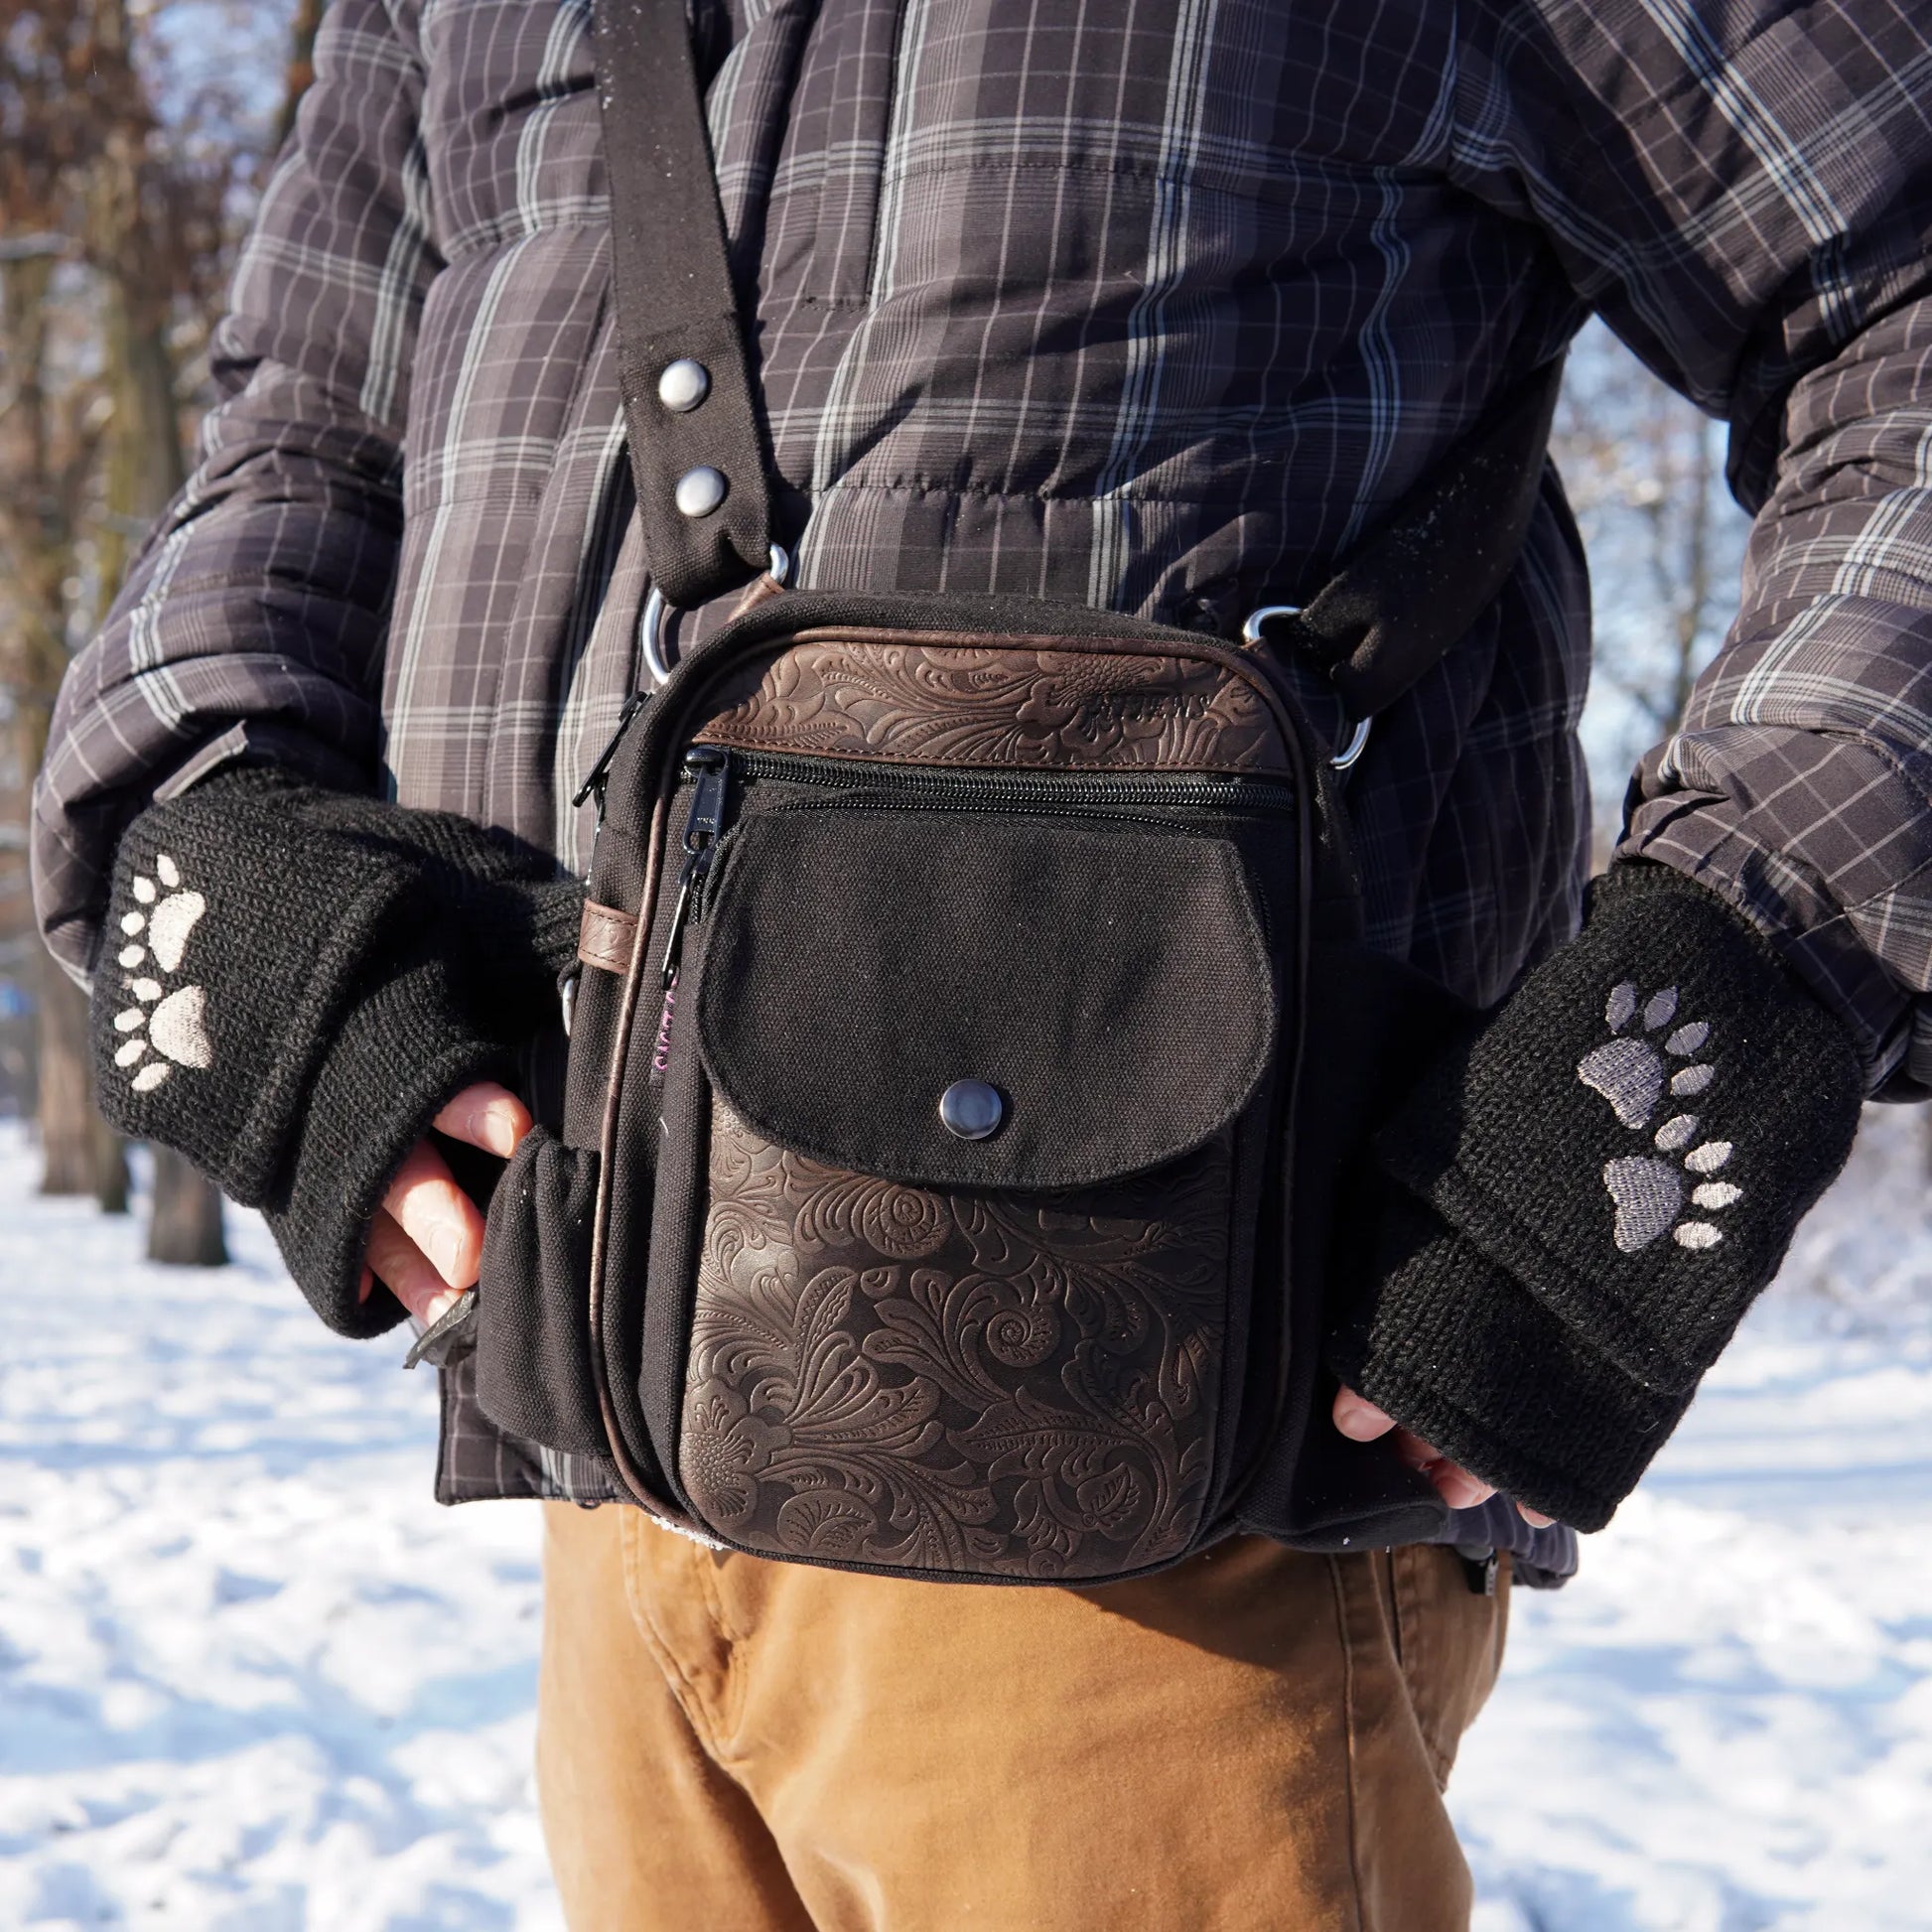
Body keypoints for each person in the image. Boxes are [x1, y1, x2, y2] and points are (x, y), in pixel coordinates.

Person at [32, 1, 1931, 1924]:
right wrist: (218, 824)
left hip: (1171, 1507)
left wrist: (1706, 1009)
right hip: (595, 1421)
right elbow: (298, 429)